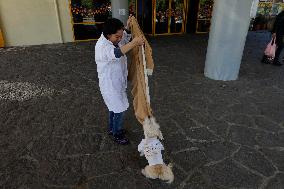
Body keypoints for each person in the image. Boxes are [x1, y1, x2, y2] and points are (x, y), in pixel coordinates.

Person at [95, 17, 144, 145]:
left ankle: (112, 129)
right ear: (107, 35)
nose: (120, 38)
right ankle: (117, 133)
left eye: (120, 35)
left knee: (113, 108)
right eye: (117, 37)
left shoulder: (115, 38)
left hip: (117, 81)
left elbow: (124, 38)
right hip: (110, 85)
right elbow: (116, 53)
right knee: (119, 109)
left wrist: (127, 28)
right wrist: (134, 43)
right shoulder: (101, 46)